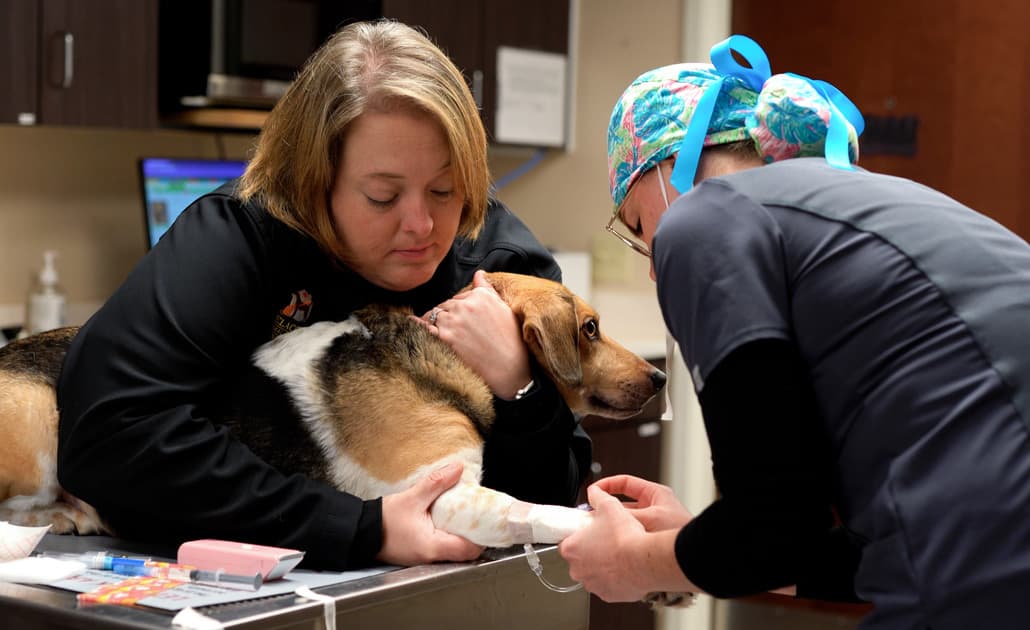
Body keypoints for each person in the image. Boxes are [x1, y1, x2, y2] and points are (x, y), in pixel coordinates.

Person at [56, 19, 590, 571]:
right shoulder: (240, 239)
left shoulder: (501, 267)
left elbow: (553, 499)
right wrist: (359, 528)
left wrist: (518, 386)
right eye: (382, 196)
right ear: (314, 181)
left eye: (444, 190)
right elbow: (106, 438)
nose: (422, 225)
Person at [559, 33, 1030, 629]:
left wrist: (635, 563)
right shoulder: (872, 208)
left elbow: (773, 528)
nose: (653, 262)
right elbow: (852, 551)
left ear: (661, 168)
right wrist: (690, 543)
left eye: (636, 226)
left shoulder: (700, 223)